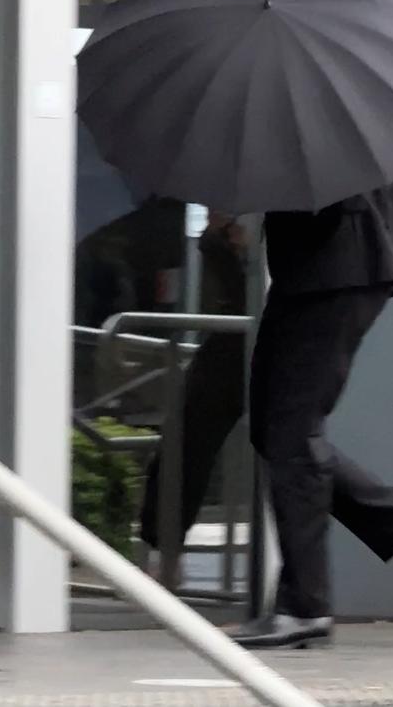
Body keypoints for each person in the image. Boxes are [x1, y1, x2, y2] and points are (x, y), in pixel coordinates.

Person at [230, 176, 393, 649]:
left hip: (338, 268)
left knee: (293, 434)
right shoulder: (312, 107)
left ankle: (305, 606)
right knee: (273, 428)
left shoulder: (322, 112)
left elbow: (317, 180)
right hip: (312, 269)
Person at [140, 213, 247, 563]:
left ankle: (163, 549)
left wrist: (218, 237)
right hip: (234, 352)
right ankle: (163, 548)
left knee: (185, 449)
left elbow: (240, 287)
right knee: (184, 449)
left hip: (237, 354)